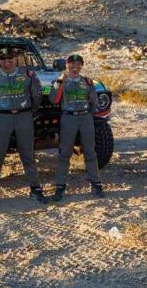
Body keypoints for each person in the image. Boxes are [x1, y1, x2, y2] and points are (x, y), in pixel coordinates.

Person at [0, 48, 45, 207]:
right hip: (2, 118)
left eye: (10, 58)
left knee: (28, 156)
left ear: (15, 58)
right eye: (2, 58)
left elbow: (37, 95)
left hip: (24, 117)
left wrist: (30, 111)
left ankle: (36, 189)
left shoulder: (28, 75)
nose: (6, 61)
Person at [48, 54, 104, 201]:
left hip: (85, 118)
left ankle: (96, 183)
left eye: (78, 64)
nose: (74, 67)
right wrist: (60, 81)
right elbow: (53, 99)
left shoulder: (88, 82)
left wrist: (87, 115)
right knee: (64, 153)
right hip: (68, 118)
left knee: (90, 152)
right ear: (66, 66)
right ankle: (60, 186)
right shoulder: (59, 81)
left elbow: (94, 102)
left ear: (81, 66)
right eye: (71, 64)